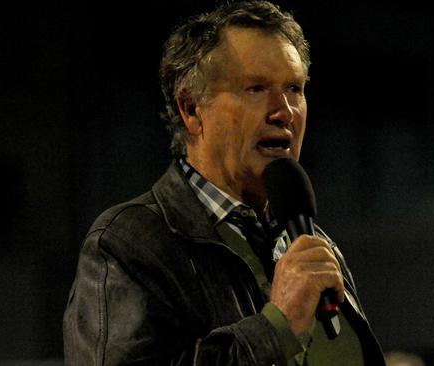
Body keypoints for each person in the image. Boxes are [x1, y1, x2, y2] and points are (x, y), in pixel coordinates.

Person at [63, 1, 385, 365]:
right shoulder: (127, 246)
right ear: (191, 109)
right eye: (256, 88)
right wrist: (275, 329)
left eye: (294, 88)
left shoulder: (312, 245)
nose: (284, 111)